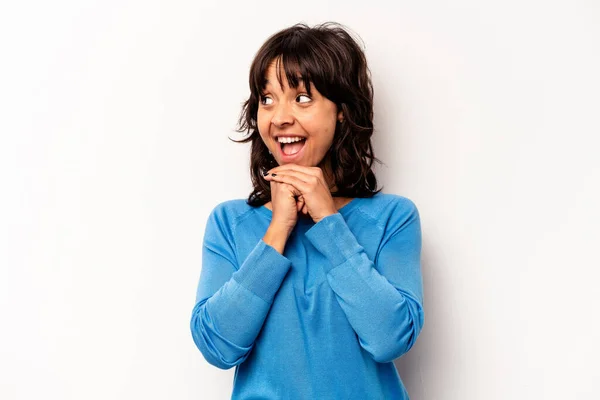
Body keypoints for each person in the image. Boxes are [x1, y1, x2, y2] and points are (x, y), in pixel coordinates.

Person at [190, 22, 424, 399]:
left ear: (342, 111)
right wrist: (278, 230)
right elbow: (218, 347)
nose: (279, 117)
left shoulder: (393, 219)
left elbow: (390, 339)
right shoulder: (229, 223)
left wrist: (328, 222)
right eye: (267, 99)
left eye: (301, 98)